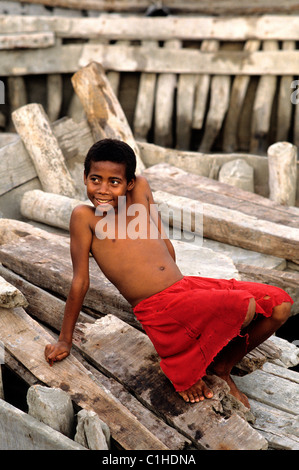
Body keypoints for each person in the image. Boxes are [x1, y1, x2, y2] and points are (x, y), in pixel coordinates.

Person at [44, 139, 293, 408]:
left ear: (128, 183)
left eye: (113, 182)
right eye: (95, 179)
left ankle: (222, 366)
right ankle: (182, 368)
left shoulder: (138, 191)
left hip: (184, 288)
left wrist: (195, 302)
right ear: (84, 178)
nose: (102, 190)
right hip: (157, 308)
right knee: (244, 307)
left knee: (280, 303)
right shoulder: (85, 217)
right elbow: (80, 281)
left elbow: (164, 243)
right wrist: (64, 340)